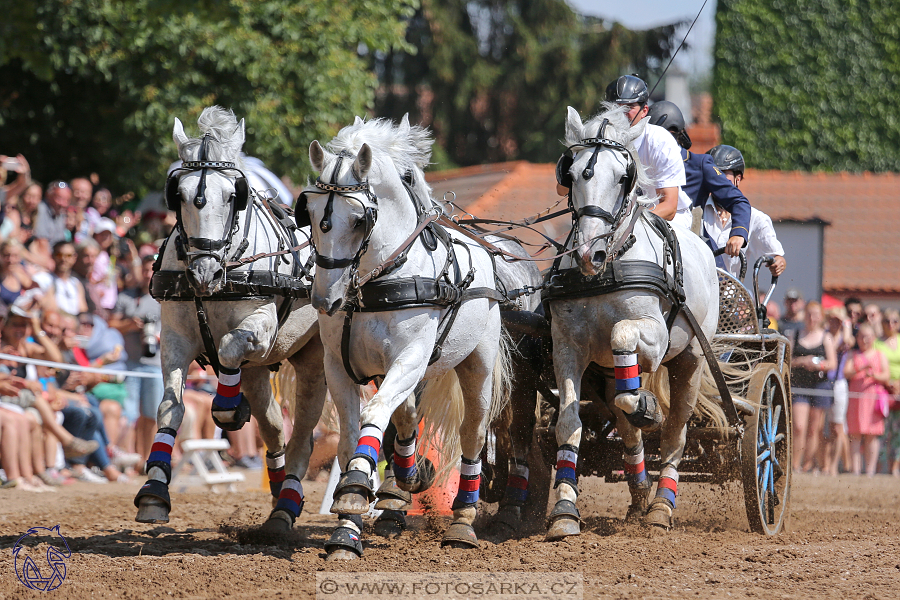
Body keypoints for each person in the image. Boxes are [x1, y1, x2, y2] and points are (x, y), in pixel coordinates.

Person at [555, 75, 689, 226]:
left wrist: (632, 225)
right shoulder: (595, 138)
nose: (620, 114)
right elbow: (562, 190)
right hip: (612, 221)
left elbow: (670, 207)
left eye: (629, 107)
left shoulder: (660, 140)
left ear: (644, 111)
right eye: (614, 108)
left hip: (666, 220)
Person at [647, 101, 749, 257]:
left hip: (691, 250)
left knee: (721, 281)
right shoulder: (638, 163)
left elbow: (738, 201)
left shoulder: (699, 164)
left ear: (671, 134)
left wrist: (738, 233)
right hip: (646, 243)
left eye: (649, 136)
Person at [703, 144, 787, 282]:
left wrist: (778, 263)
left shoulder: (756, 218)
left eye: (722, 175)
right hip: (697, 292)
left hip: (729, 296)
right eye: (712, 175)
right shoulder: (695, 212)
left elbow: (776, 257)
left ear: (738, 179)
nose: (716, 181)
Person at [109, 255, 163, 466]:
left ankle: (145, 459)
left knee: (151, 415)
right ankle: (126, 459)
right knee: (129, 415)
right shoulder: (126, 297)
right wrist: (129, 325)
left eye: (152, 270)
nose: (148, 274)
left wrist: (158, 336)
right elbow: (111, 323)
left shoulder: (163, 299)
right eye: (145, 270)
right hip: (130, 364)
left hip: (154, 365)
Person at [788, 301, 837, 473]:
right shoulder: (795, 335)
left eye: (816, 314)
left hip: (819, 385)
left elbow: (832, 363)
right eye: (809, 314)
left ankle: (808, 464)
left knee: (814, 428)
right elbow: (787, 362)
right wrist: (802, 361)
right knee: (799, 426)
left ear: (821, 316)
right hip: (799, 385)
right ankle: (795, 464)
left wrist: (818, 365)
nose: (812, 318)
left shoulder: (826, 337)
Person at [844, 323, 891, 476]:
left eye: (868, 337)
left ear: (873, 338)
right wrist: (862, 369)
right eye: (861, 337)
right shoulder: (853, 355)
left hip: (873, 399)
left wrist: (874, 375)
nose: (864, 340)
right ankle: (855, 470)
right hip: (856, 399)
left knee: (872, 435)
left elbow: (886, 376)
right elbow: (847, 373)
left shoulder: (879, 354)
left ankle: (870, 471)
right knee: (855, 435)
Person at [875, 308, 900, 476]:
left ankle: (895, 467)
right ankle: (879, 467)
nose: (890, 324)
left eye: (895, 321)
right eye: (887, 321)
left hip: (899, 394)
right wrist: (888, 382)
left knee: (897, 433)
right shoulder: (877, 343)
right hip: (881, 392)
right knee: (882, 433)